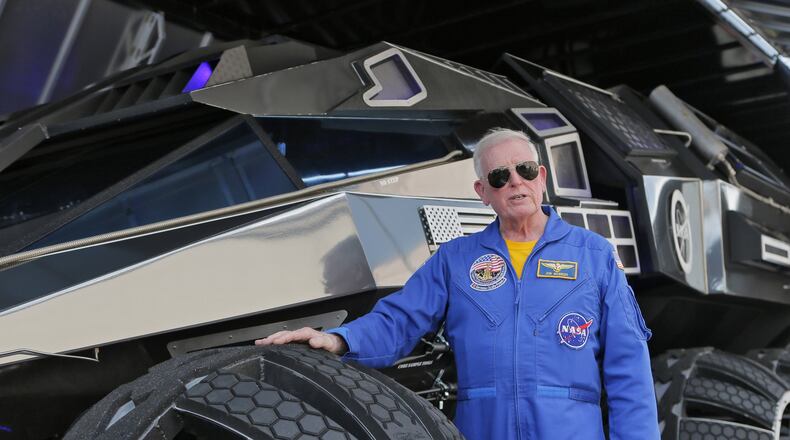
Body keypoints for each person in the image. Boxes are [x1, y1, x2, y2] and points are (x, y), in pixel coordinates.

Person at [256, 128, 660, 440]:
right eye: (500, 176)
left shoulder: (594, 256)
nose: (515, 182)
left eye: (524, 171)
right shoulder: (456, 260)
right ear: (483, 192)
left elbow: (629, 369)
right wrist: (340, 340)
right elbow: (397, 321)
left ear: (541, 178)